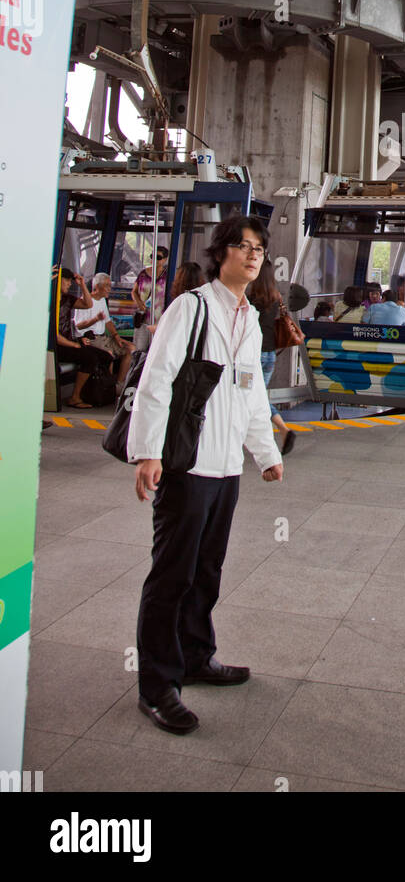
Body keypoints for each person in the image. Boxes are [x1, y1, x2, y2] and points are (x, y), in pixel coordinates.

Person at [129, 214, 283, 736]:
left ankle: (195, 657)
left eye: (259, 248)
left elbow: (251, 392)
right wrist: (149, 452)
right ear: (220, 255)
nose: (253, 254)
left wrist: (264, 453)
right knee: (171, 573)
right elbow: (157, 381)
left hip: (225, 469)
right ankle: (157, 686)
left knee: (207, 570)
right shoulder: (191, 308)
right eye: (243, 246)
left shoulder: (252, 318)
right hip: (186, 464)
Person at [247, 257, 295, 456]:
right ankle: (279, 431)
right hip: (269, 355)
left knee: (252, 396)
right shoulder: (276, 297)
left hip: (253, 355)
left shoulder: (249, 297)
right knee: (256, 395)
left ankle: (282, 428)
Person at [51, 268, 108, 414]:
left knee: (104, 356)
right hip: (57, 345)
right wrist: (74, 344)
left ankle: (95, 393)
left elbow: (87, 304)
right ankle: (75, 397)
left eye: (71, 281)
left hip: (69, 341)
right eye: (67, 281)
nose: (69, 284)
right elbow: (54, 335)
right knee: (90, 358)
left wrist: (82, 284)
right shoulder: (49, 299)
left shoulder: (68, 299)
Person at [73, 272, 134, 393]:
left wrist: (117, 336)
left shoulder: (101, 301)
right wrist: (95, 319)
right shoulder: (84, 302)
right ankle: (107, 386)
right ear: (96, 287)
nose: (109, 289)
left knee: (131, 349)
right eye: (106, 285)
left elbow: (108, 322)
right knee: (108, 354)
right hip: (91, 339)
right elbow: (78, 326)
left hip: (104, 337)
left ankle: (118, 385)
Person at [132, 246, 169, 322]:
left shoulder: (167, 276)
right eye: (152, 256)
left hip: (160, 318)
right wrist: (139, 304)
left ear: (165, 259)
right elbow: (134, 291)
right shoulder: (143, 274)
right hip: (142, 317)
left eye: (158, 257)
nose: (154, 259)